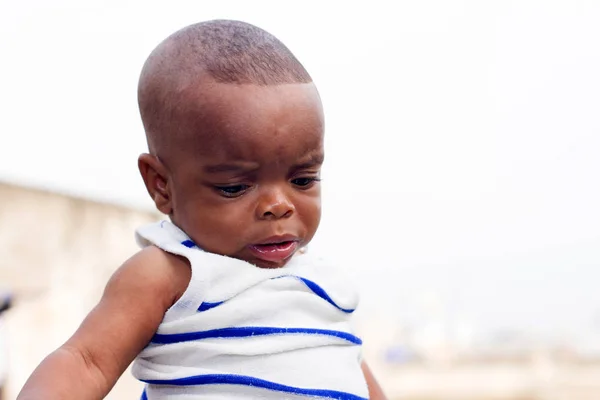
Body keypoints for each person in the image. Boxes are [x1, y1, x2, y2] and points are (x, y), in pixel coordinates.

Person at [17, 20, 386, 399]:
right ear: (162, 185)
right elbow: (85, 360)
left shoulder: (321, 283)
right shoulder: (172, 272)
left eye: (303, 180)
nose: (278, 206)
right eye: (234, 187)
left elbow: (347, 365)